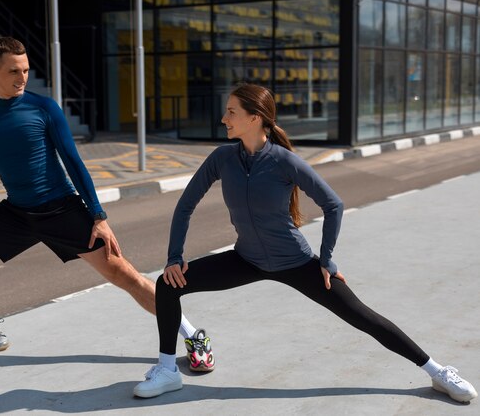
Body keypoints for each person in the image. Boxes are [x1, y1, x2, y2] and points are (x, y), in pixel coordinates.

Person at [133, 83, 477, 402]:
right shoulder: (223, 158)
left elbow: (333, 205)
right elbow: (185, 206)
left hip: (295, 263)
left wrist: (326, 259)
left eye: (231, 112)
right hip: (246, 260)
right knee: (167, 284)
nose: (224, 118)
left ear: (255, 118)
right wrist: (174, 256)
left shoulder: (284, 161)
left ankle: (437, 371)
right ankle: (167, 370)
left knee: (362, 316)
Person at [0, 36, 214, 371]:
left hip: (62, 209)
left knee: (126, 276)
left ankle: (193, 334)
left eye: (26, 70)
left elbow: (74, 162)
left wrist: (98, 217)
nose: (22, 78)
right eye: (13, 71)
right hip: (16, 213)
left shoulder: (43, 107)